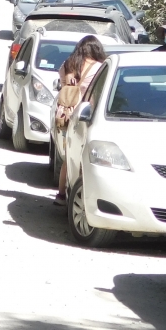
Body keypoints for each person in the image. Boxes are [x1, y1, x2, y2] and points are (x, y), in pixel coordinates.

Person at [53, 35, 107, 206]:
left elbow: (61, 84)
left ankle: (61, 195)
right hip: (86, 116)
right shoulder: (99, 68)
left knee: (69, 156)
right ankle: (82, 197)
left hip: (67, 114)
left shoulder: (68, 65)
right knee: (85, 159)